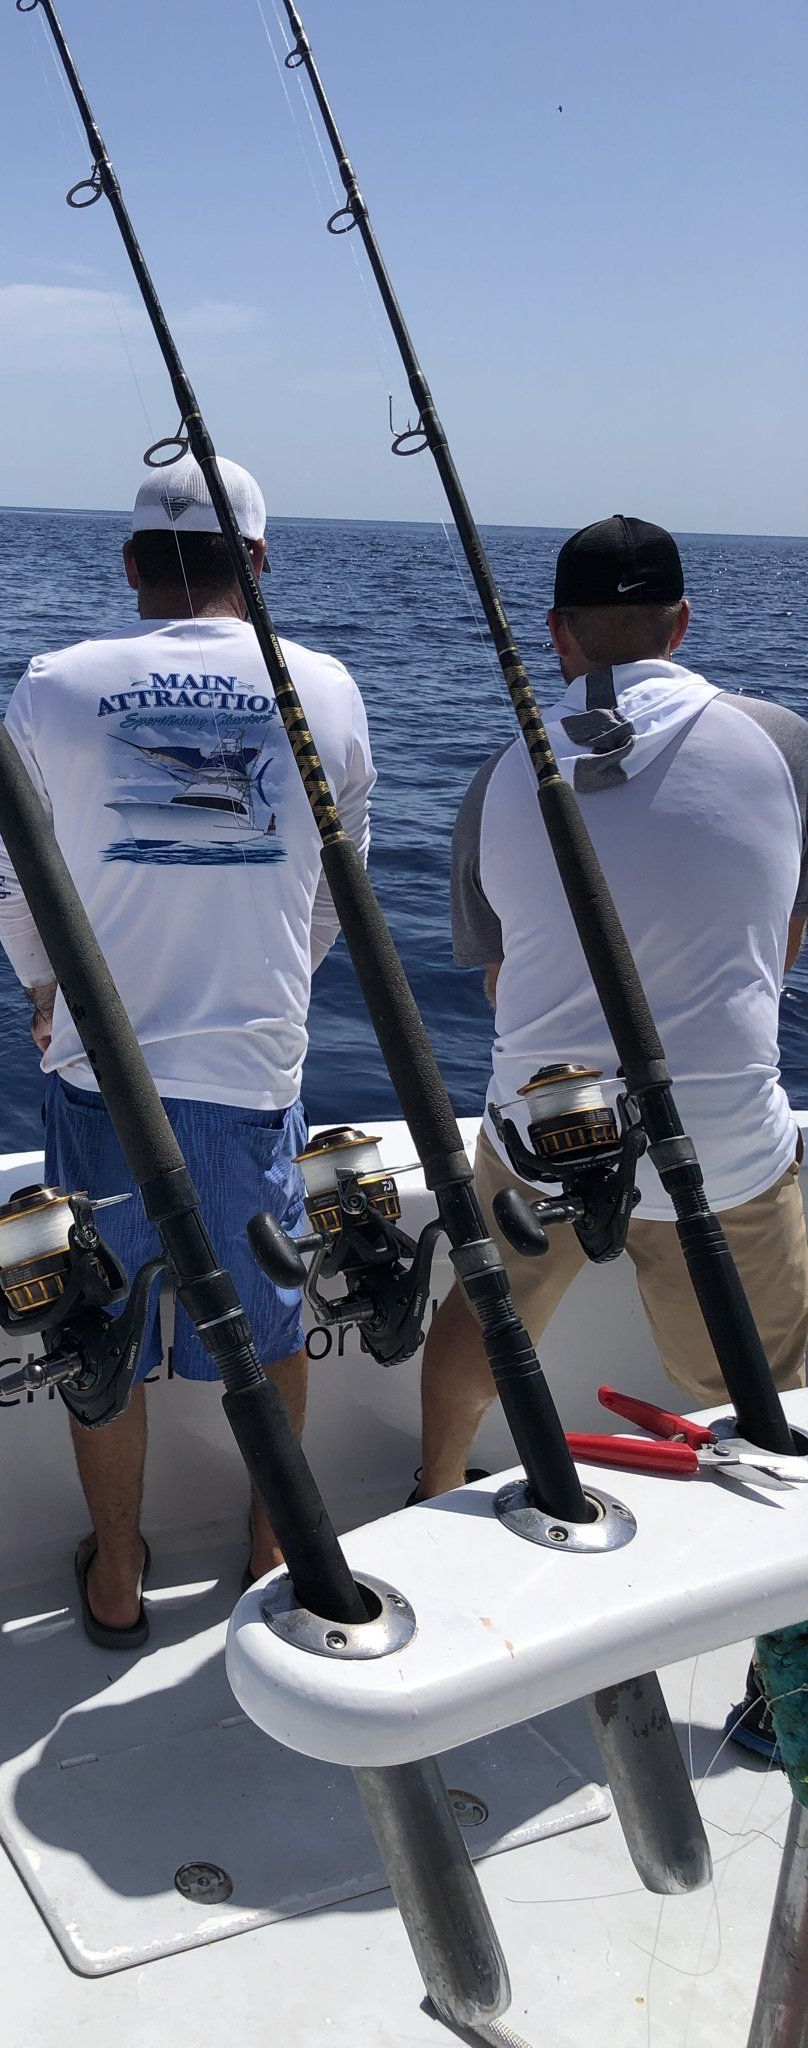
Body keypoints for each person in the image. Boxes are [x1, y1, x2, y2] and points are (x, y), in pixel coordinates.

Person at [418, 514, 808, 1746]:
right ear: (685, 624)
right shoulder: (786, 743)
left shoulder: (498, 778)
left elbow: (495, 982)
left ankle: (426, 1520)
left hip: (539, 1139)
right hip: (730, 1146)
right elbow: (791, 930)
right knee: (773, 1398)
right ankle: (779, 1671)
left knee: (479, 1327)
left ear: (559, 635)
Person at [0, 455, 375, 1647]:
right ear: (256, 560)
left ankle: (114, 1572)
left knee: (98, 1340)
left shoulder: (55, 685)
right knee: (271, 1330)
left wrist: (46, 985)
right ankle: (271, 1546)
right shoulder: (329, 689)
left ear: (134, 565)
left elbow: (8, 877)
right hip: (252, 1082)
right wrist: (271, 993)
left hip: (99, 1082)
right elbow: (336, 888)